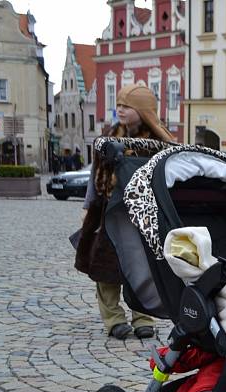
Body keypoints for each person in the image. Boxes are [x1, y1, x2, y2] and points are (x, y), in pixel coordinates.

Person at [77, 83, 174, 340]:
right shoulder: (108, 138)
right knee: (106, 267)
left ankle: (143, 316)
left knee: (143, 266)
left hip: (142, 215)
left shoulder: (159, 143)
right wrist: (88, 207)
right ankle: (113, 319)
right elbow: (94, 176)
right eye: (118, 104)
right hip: (109, 211)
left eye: (126, 106)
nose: (120, 109)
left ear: (143, 111)